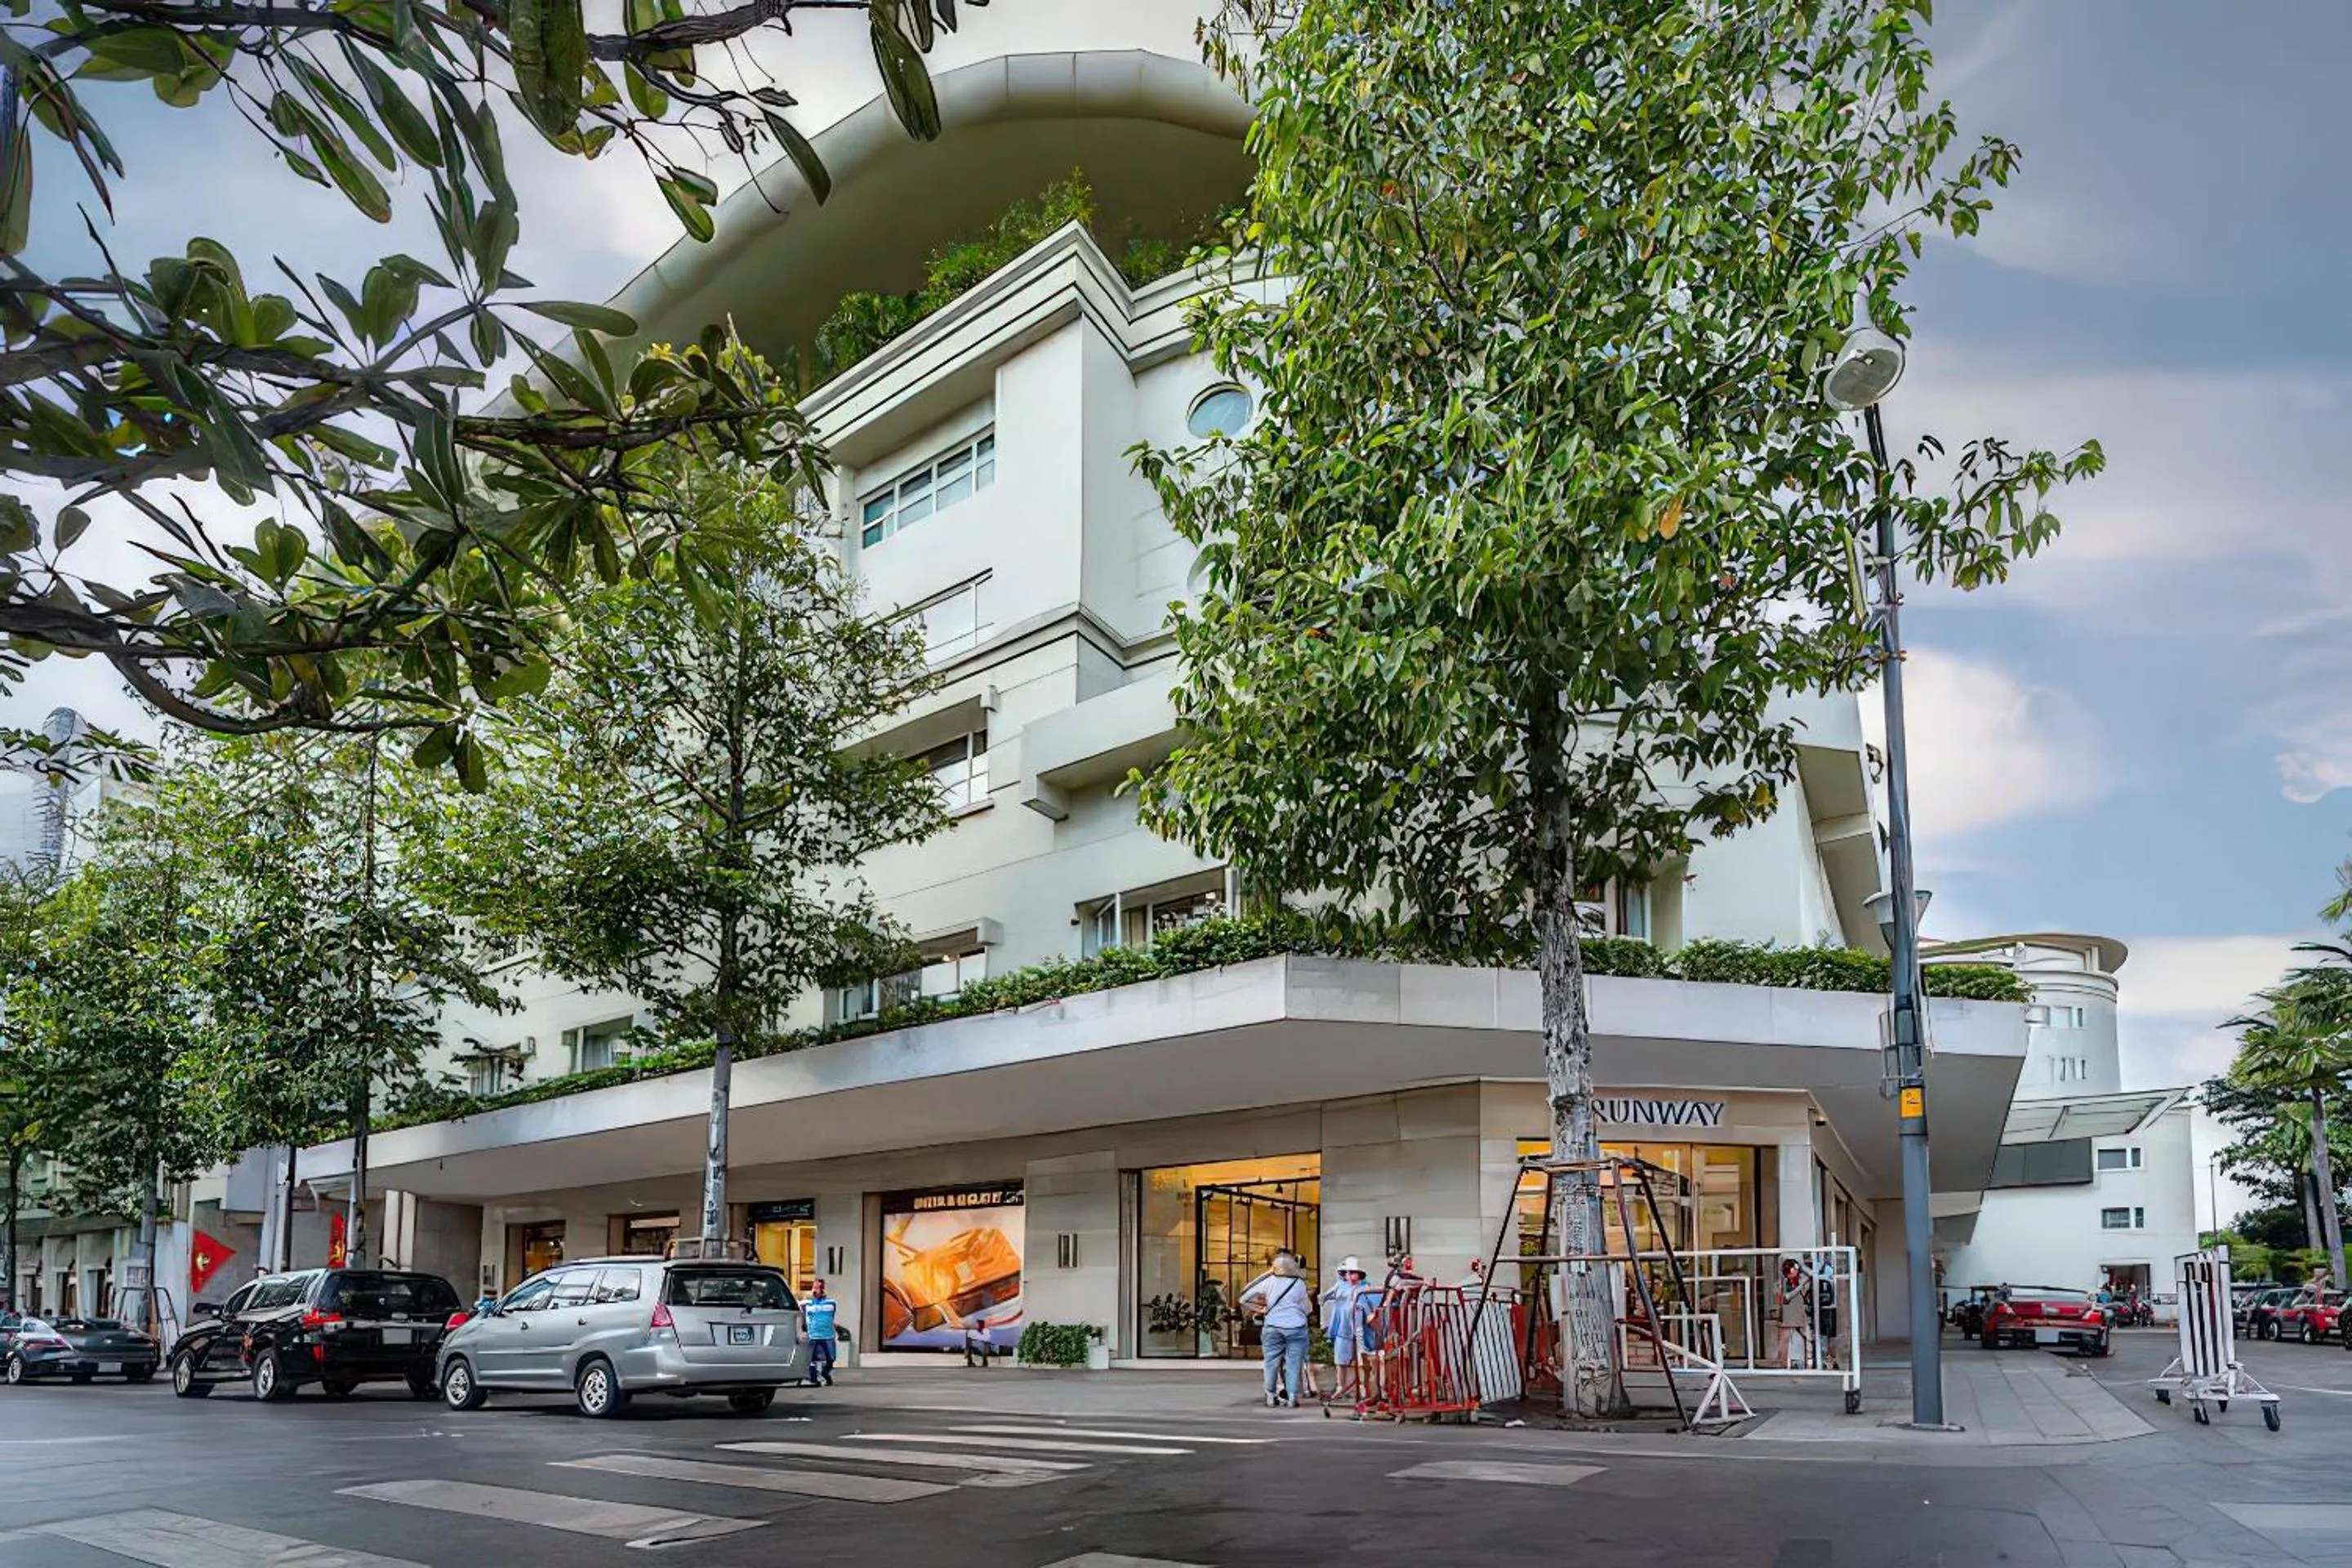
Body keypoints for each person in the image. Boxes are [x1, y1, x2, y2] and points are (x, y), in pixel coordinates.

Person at [1238, 1250, 1312, 1408]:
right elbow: (1307, 1308)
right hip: (1296, 1327)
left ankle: (1271, 1397)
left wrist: (1261, 1309)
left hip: (1273, 1326)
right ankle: (1292, 1397)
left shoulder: (1269, 1281)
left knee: (1270, 1363)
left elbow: (1244, 1297)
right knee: (1294, 1363)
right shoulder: (1299, 1284)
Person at [1322, 1256, 1374, 1401]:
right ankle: (1340, 1386)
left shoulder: (1365, 1288)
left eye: (1353, 1272)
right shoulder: (1340, 1286)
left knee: (1363, 1357)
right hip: (1342, 1327)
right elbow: (1325, 1297)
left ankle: (1364, 1387)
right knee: (1341, 1359)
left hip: (1360, 1328)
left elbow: (1370, 1308)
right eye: (1348, 1273)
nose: (1350, 1276)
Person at [1774, 1258, 1811, 1369]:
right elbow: (1787, 1296)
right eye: (1793, 1270)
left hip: (1799, 1311)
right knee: (1787, 1337)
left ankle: (1802, 1360)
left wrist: (1801, 1267)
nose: (1795, 1272)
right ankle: (1786, 1362)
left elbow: (1811, 1274)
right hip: (1790, 1311)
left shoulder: (1799, 1278)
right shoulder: (1786, 1281)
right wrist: (1801, 1285)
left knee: (1803, 1336)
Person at [801, 1279, 839, 1387]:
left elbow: (832, 1315)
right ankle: (813, 1378)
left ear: (823, 1289)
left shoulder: (831, 1303)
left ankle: (825, 1373)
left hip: (828, 1335)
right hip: (813, 1336)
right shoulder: (807, 1304)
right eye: (815, 1287)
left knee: (831, 1358)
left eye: (819, 1287)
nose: (816, 1289)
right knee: (811, 1359)